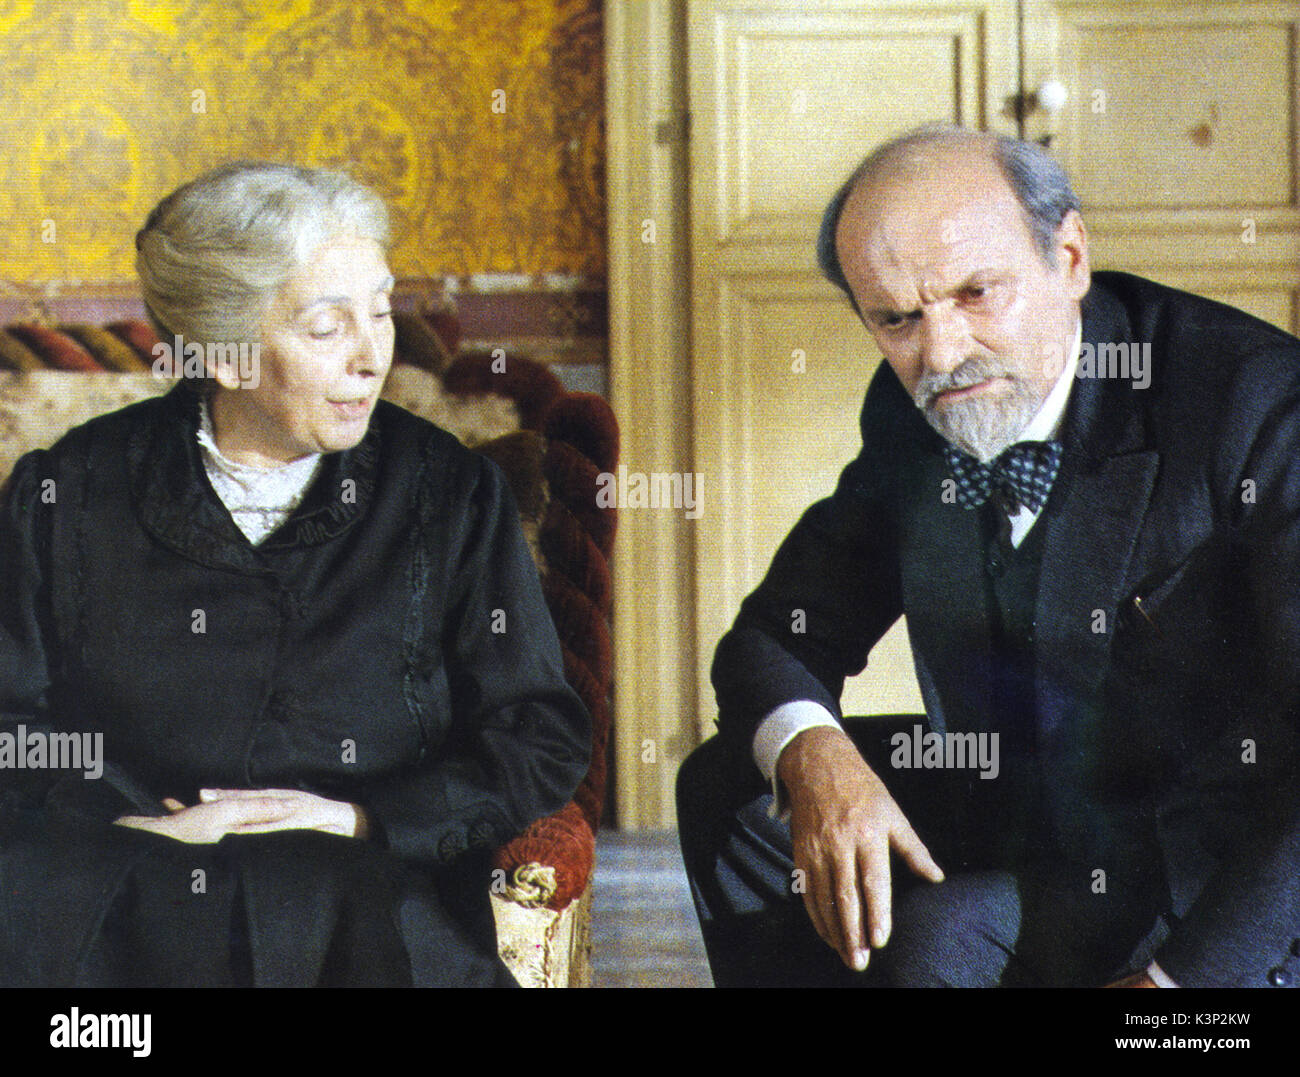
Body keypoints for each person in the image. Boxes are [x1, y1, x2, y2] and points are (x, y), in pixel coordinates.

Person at [677, 124, 1300, 988]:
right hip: (1022, 822)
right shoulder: (912, 409)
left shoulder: (1253, 400)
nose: (940, 354)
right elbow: (775, 635)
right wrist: (813, 755)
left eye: (976, 293)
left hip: (1212, 883)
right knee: (735, 790)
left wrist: (1175, 991)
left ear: (1071, 256)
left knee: (938, 936)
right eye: (895, 318)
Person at [0, 162, 591, 987]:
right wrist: (133, 829)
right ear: (227, 357)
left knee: (336, 899)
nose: (371, 356)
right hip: (115, 884)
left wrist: (355, 817)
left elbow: (536, 733)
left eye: (381, 312)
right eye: (327, 327)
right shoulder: (68, 490)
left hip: (364, 882)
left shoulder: (448, 493)